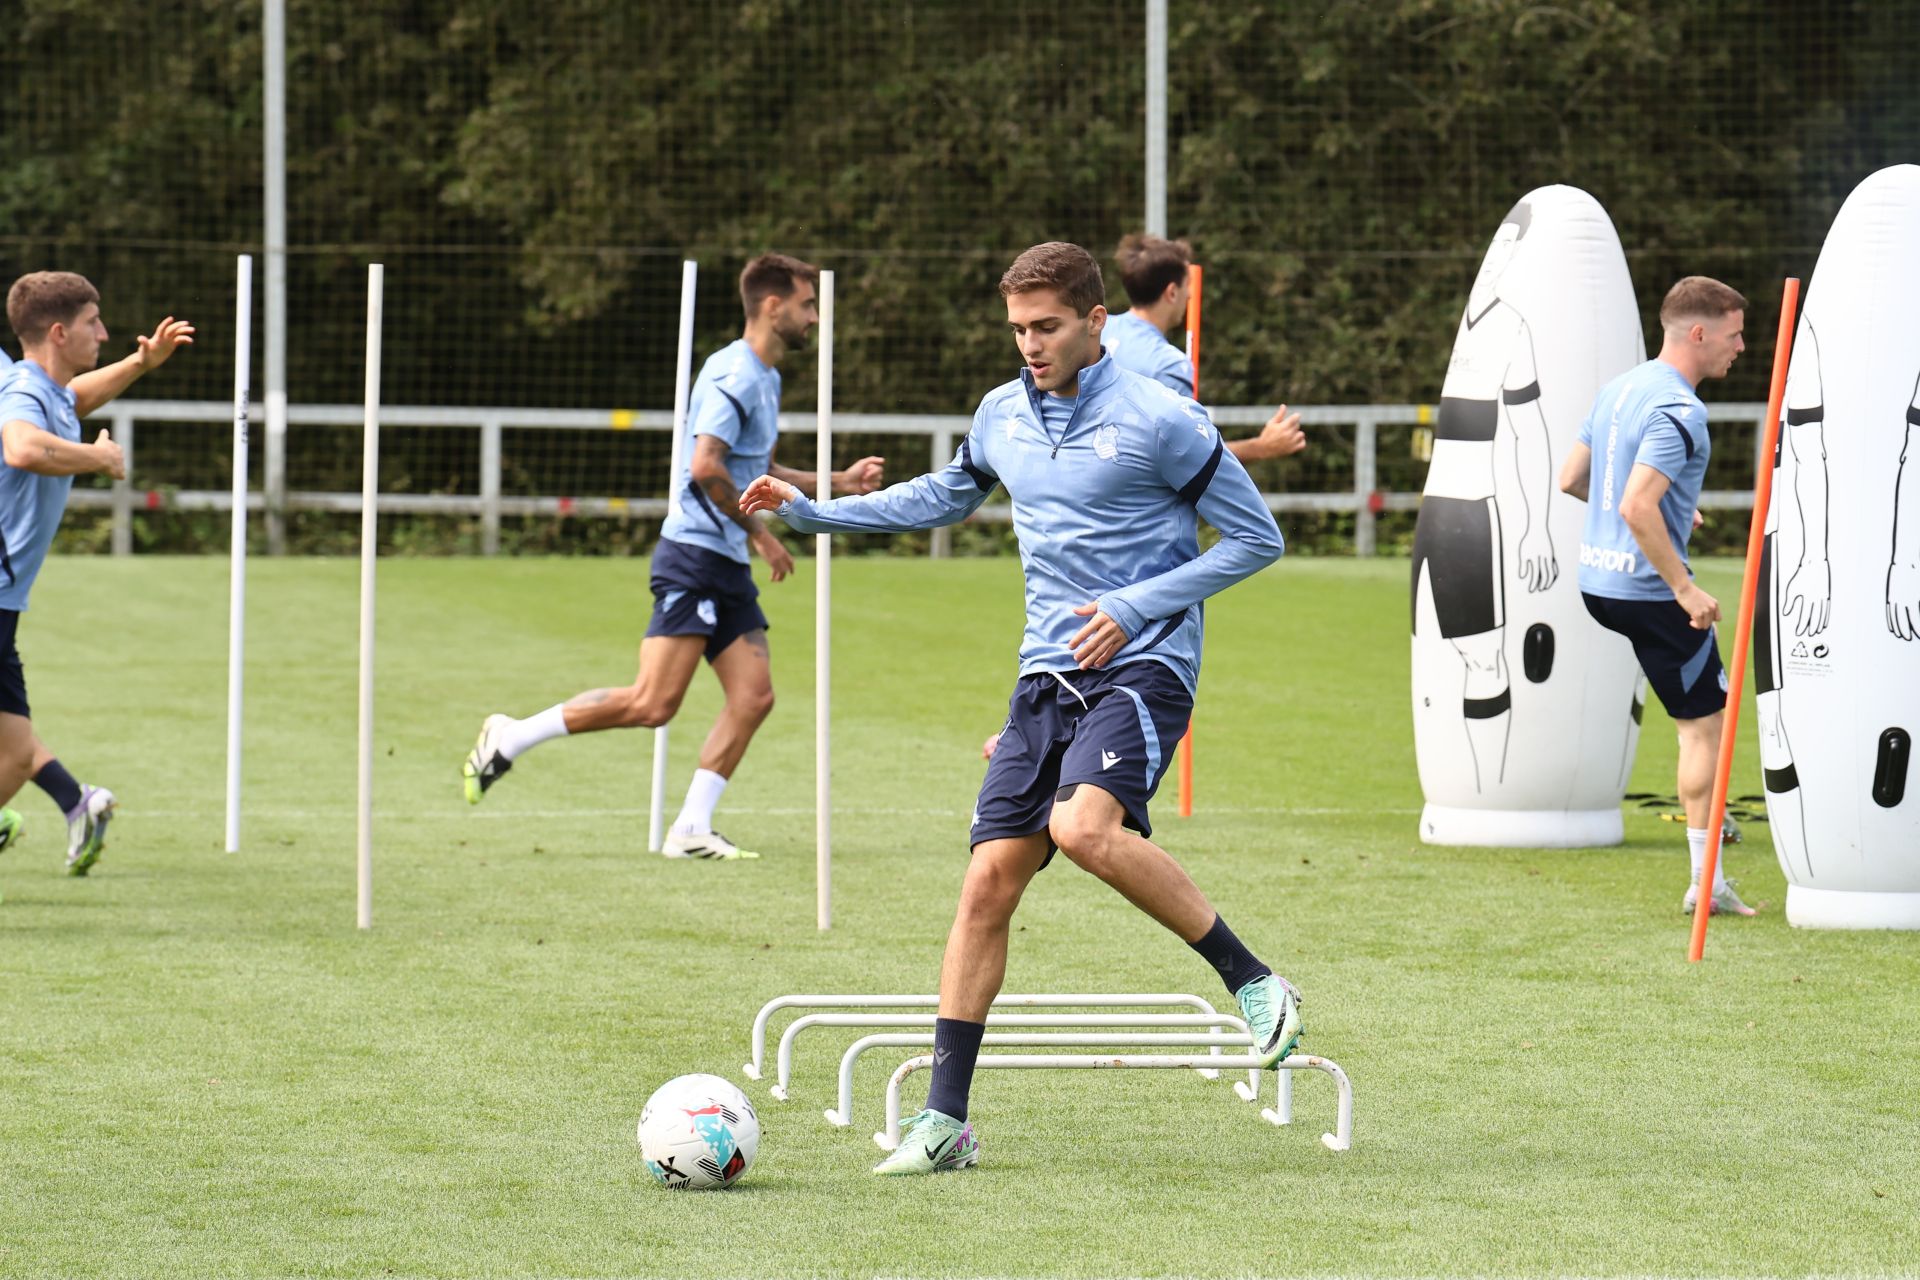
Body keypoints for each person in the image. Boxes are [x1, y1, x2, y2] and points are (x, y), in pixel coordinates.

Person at [741, 241, 1301, 1174]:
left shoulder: (1162, 418)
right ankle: (944, 1124)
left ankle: (1254, 983)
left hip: (1146, 665)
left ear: (1094, 321)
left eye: (1047, 327)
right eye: (1017, 330)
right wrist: (812, 510)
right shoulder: (1000, 413)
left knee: (1081, 829)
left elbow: (1257, 540)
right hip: (1045, 677)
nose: (1030, 345)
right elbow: (939, 498)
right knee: (987, 884)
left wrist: (1136, 607)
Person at [462, 254, 882, 860]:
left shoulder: (765, 377)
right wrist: (762, 534)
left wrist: (837, 481)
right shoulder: (734, 375)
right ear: (773, 307)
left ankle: (690, 828)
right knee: (652, 703)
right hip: (693, 556)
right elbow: (705, 467)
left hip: (724, 562)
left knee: (754, 696)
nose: (814, 318)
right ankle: (512, 736)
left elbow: (755, 467)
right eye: (806, 305)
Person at [977, 233, 1306, 761]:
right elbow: (1188, 456)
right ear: (1174, 292)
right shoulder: (1166, 364)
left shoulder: (1107, 334)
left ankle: (1033, 730)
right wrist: (1261, 449)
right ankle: (1037, 730)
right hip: (1132, 609)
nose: (1032, 343)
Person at [1557, 275, 1754, 916]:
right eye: (1734, 335)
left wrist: (1664, 516)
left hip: (1598, 583)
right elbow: (1636, 505)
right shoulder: (1681, 409)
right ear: (1698, 333)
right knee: (1705, 729)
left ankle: (1711, 851)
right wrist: (1684, 588)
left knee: (1694, 720)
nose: (1741, 347)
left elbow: (1573, 478)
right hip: (1647, 592)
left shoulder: (1620, 387)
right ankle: (1707, 883)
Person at [0, 271, 194, 876]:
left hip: (5, 601)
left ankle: (76, 803)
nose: (105, 333)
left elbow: (73, 400)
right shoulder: (21, 394)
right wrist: (98, 457)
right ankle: (77, 803)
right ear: (59, 333)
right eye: (93, 323)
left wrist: (141, 363)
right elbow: (21, 448)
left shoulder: (42, 387)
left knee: (15, 754)